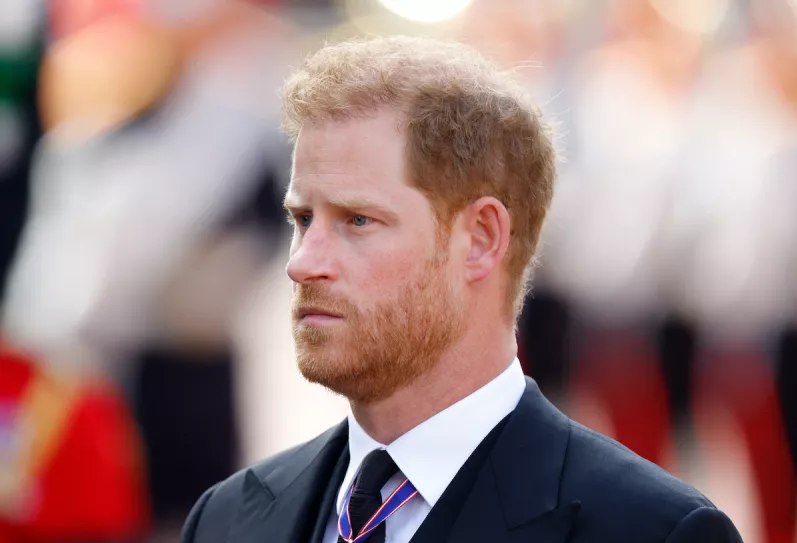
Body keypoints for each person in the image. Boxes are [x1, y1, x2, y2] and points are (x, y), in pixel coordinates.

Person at [180, 36, 743, 543]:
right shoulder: (226, 519)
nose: (302, 263)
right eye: (303, 219)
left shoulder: (649, 532)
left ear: (480, 239)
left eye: (357, 220)